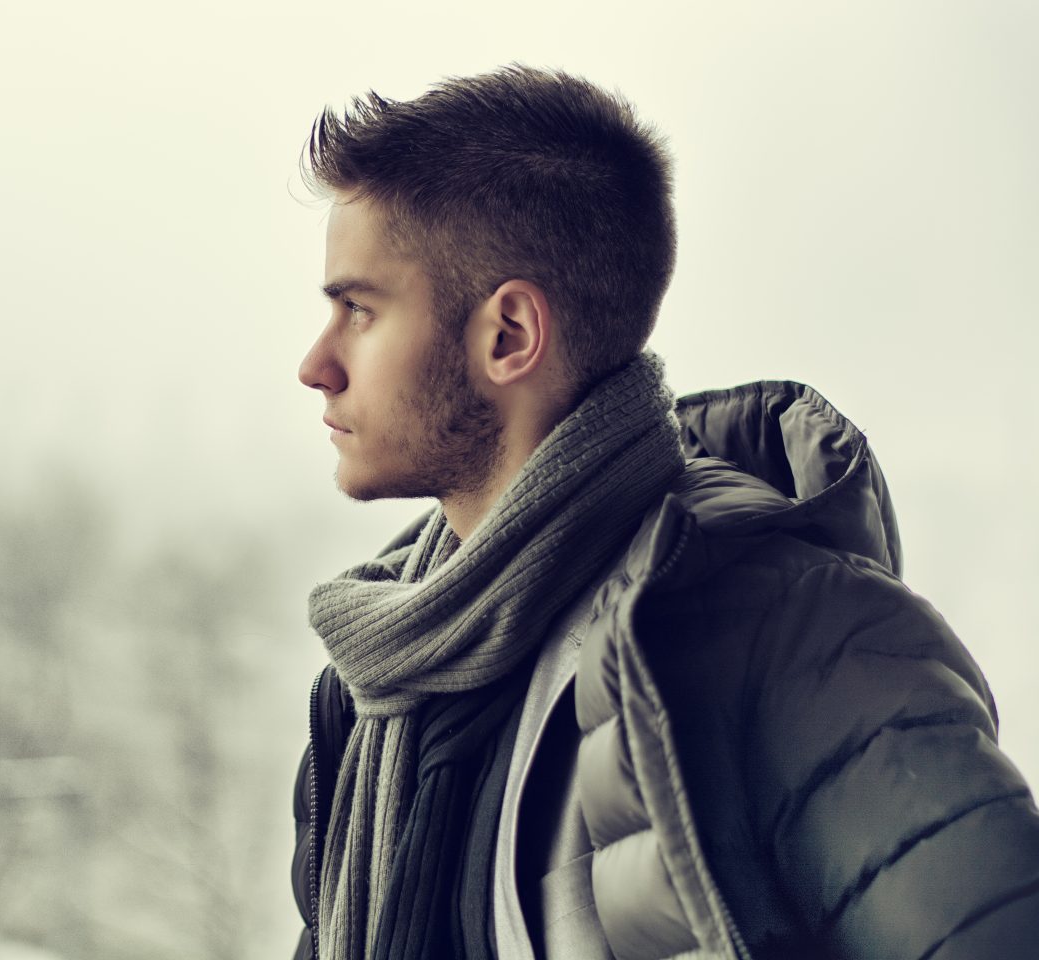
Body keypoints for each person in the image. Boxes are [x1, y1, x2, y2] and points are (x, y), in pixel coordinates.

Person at [289, 65, 1039, 960]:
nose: (316, 364)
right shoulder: (377, 675)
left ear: (509, 336)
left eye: (358, 311)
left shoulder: (799, 638)